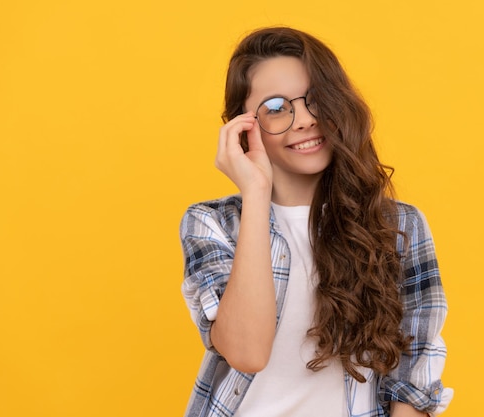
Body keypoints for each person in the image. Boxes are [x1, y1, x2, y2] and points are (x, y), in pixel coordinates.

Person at [180, 27, 453, 417]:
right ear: (242, 126)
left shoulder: (397, 225)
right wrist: (256, 194)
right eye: (276, 106)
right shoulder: (211, 224)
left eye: (317, 100)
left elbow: (415, 371)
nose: (306, 120)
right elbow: (246, 353)